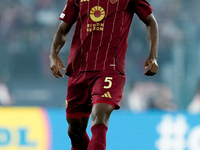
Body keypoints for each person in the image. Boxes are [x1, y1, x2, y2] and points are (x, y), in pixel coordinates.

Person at [49, 0, 159, 149]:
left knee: (100, 116)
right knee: (75, 130)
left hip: (109, 69)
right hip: (79, 69)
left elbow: (151, 21)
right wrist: (53, 54)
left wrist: (153, 56)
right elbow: (63, 29)